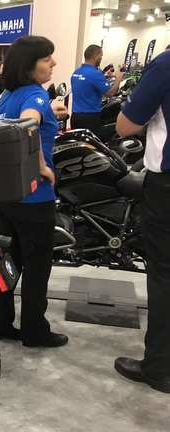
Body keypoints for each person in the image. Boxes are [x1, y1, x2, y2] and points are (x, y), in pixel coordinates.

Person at [0, 35, 69, 348]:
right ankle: (35, 330)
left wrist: (50, 110)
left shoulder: (9, 93)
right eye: (47, 59)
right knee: (37, 266)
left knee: (7, 261)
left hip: (8, 194)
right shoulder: (34, 94)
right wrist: (42, 165)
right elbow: (27, 127)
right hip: (35, 198)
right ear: (30, 65)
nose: (53, 64)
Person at [114, 50, 170, 393]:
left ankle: (160, 368)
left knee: (164, 275)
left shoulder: (165, 64)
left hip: (167, 185)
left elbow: (125, 124)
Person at [70, 44, 123, 137]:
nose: (101, 58)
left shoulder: (76, 72)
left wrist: (106, 75)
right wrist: (119, 78)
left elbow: (89, 84)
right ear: (96, 57)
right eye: (101, 56)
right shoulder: (95, 74)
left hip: (75, 117)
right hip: (89, 119)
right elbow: (110, 93)